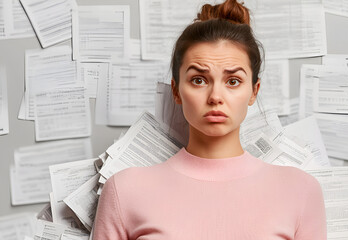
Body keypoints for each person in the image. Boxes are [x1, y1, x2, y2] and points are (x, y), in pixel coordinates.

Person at [93, 0, 327, 239]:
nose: (215, 97)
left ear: (254, 91)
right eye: (199, 80)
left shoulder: (300, 191)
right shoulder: (126, 190)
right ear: (176, 91)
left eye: (233, 81)